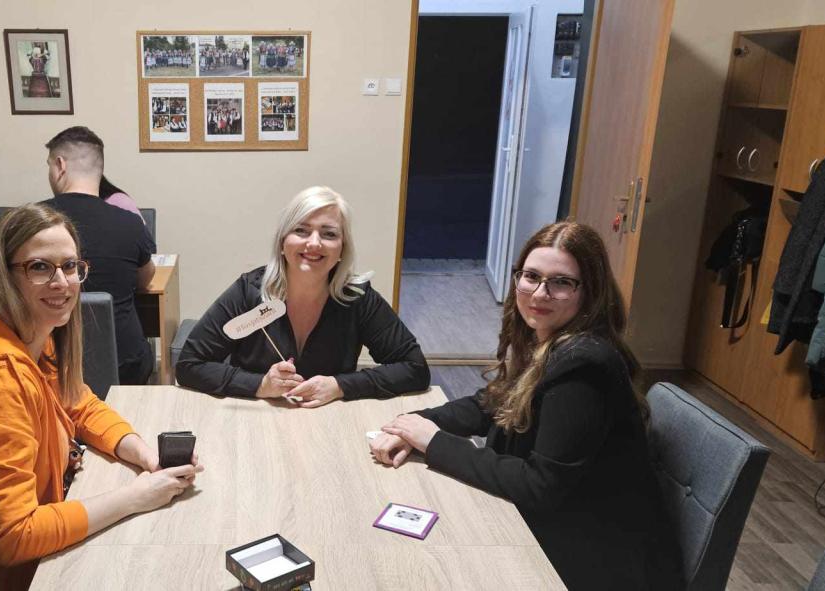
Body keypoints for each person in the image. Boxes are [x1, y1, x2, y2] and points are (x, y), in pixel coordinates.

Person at [0, 204, 201, 590]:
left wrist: (142, 453)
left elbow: (77, 402)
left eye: (70, 266)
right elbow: (15, 536)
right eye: (40, 267)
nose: (62, 282)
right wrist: (134, 497)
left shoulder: (23, 332)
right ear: (2, 276)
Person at [370, 222, 683, 590]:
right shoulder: (550, 339)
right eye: (531, 276)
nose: (539, 293)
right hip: (562, 526)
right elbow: (491, 403)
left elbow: (539, 485)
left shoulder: (584, 366)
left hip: (596, 561)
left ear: (591, 291)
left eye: (561, 282)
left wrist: (434, 441)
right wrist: (413, 424)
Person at [176, 186, 429, 406]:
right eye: (301, 230)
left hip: (329, 422)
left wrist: (340, 386)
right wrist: (260, 385)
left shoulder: (357, 297)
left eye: (329, 234)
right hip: (256, 422)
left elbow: (415, 369)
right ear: (282, 242)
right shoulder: (248, 291)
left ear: (342, 248)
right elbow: (189, 365)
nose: (314, 243)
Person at [41, 126, 157, 385]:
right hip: (124, 364)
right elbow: (145, 279)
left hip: (49, 361)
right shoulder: (130, 223)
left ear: (60, 165)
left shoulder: (31, 222)